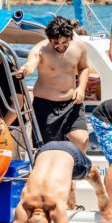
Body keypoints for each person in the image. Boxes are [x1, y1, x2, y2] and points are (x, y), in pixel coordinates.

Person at [16, 16, 89, 151]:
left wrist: (81, 88)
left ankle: (78, 170)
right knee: (46, 150)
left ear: (71, 37)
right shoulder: (40, 50)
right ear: (49, 39)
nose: (60, 46)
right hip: (45, 107)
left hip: (72, 103)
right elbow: (31, 64)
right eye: (55, 42)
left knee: (81, 139)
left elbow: (84, 68)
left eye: (64, 42)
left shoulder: (80, 46)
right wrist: (26, 70)